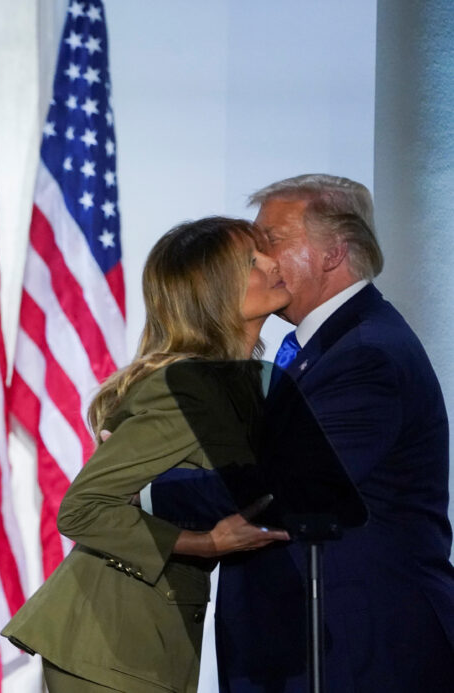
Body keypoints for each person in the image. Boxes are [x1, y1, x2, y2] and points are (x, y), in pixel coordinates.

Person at [150, 174, 454, 691]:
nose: (260, 261)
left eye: (270, 243)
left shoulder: (366, 355)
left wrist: (148, 488)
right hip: (307, 645)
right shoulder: (321, 349)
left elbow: (280, 487)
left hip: (357, 650)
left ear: (332, 254)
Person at [2, 216, 292, 693]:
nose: (271, 265)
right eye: (251, 262)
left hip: (138, 638)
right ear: (213, 292)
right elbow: (83, 508)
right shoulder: (190, 388)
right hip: (110, 640)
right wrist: (207, 544)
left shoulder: (228, 383)